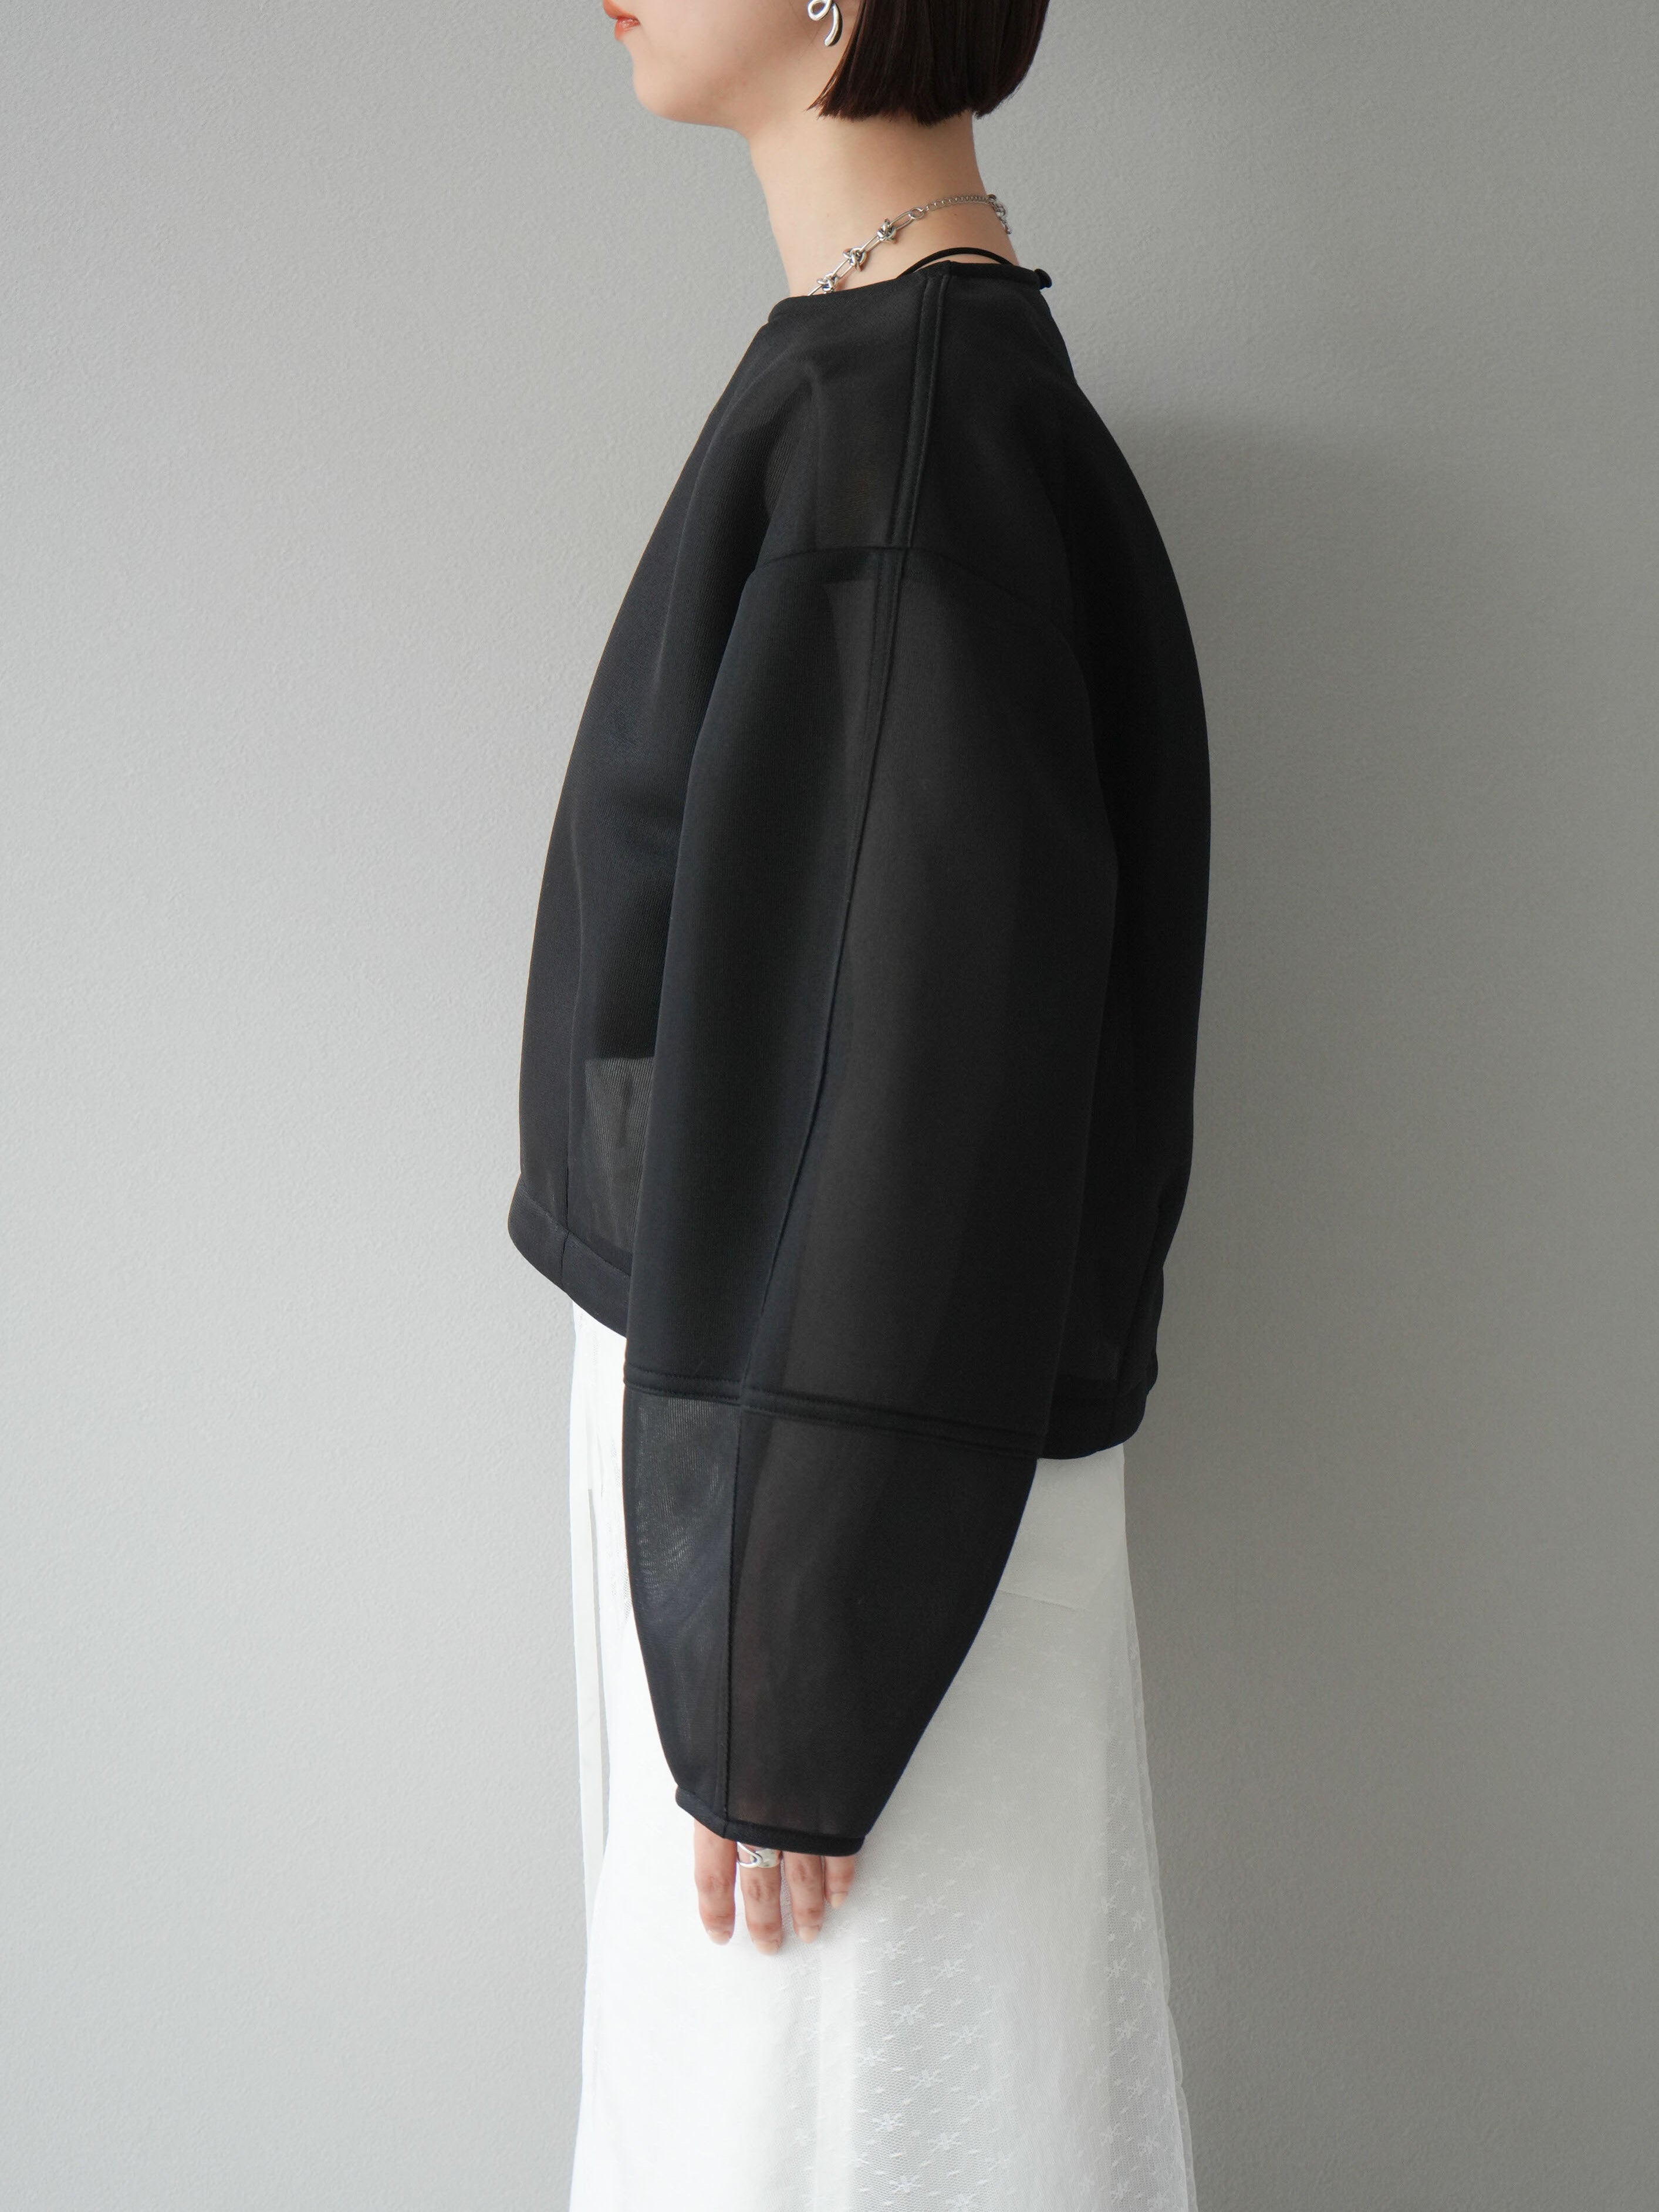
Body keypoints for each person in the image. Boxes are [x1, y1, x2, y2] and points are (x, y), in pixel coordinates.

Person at [508, 1, 1209, 2201]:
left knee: (807, 2136)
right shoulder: (901, 383)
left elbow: (906, 1079)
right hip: (799, 1484)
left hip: (829, 1530)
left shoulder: (903, 429)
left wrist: (786, 1682)